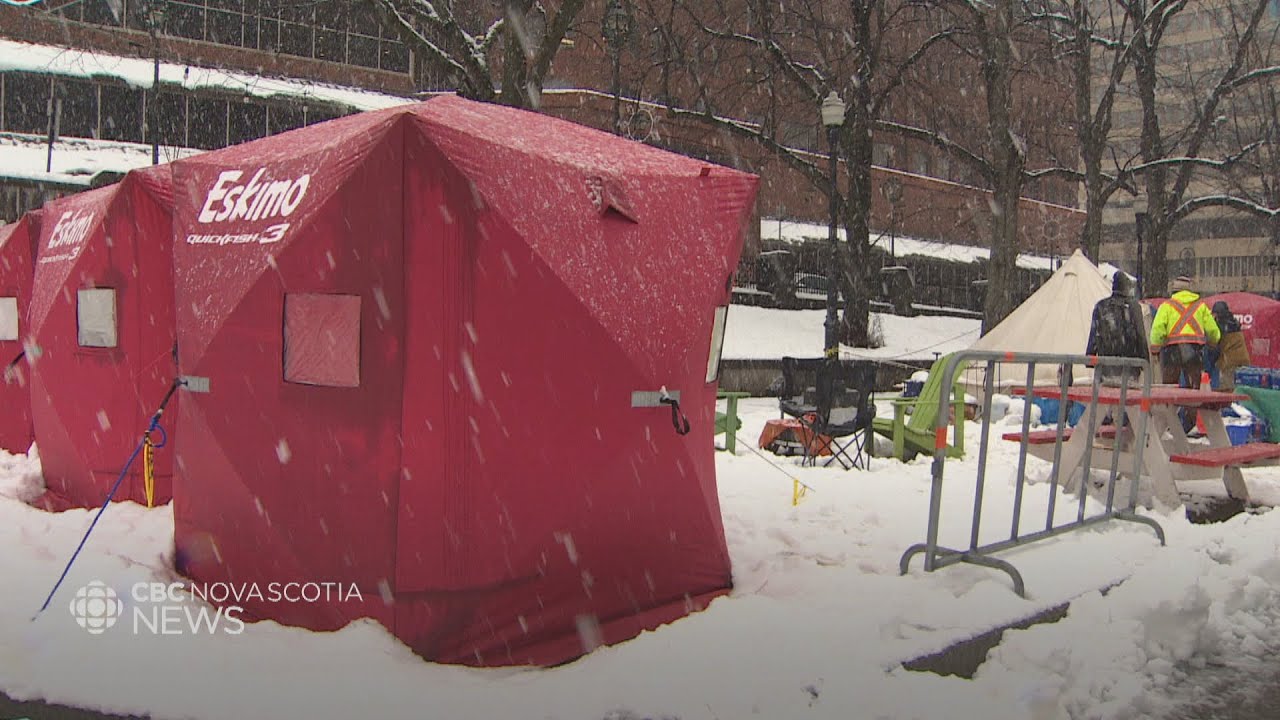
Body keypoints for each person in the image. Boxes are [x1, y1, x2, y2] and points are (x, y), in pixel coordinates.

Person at [1149, 275, 1221, 431]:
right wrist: (1213, 341)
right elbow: (1213, 331)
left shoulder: (1167, 306)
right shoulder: (1200, 307)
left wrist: (1155, 347)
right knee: (1193, 391)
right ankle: (1189, 424)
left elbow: (1157, 330)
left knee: (1169, 389)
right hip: (1195, 352)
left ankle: (1166, 425)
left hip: (1171, 352)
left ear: (1174, 290)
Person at [1086, 272, 1147, 386]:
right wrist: (1144, 360)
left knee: (1105, 399)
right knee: (1127, 399)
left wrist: (1090, 356)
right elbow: (1140, 335)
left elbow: (1094, 335)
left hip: (1105, 366)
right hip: (1130, 367)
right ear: (1126, 288)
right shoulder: (1134, 307)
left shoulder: (1101, 306)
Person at [1207, 300, 1250, 391]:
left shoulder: (1219, 326)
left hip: (1228, 361)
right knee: (1237, 387)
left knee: (1225, 388)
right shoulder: (1234, 322)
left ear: (1217, 314)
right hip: (1242, 358)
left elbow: (1216, 346)